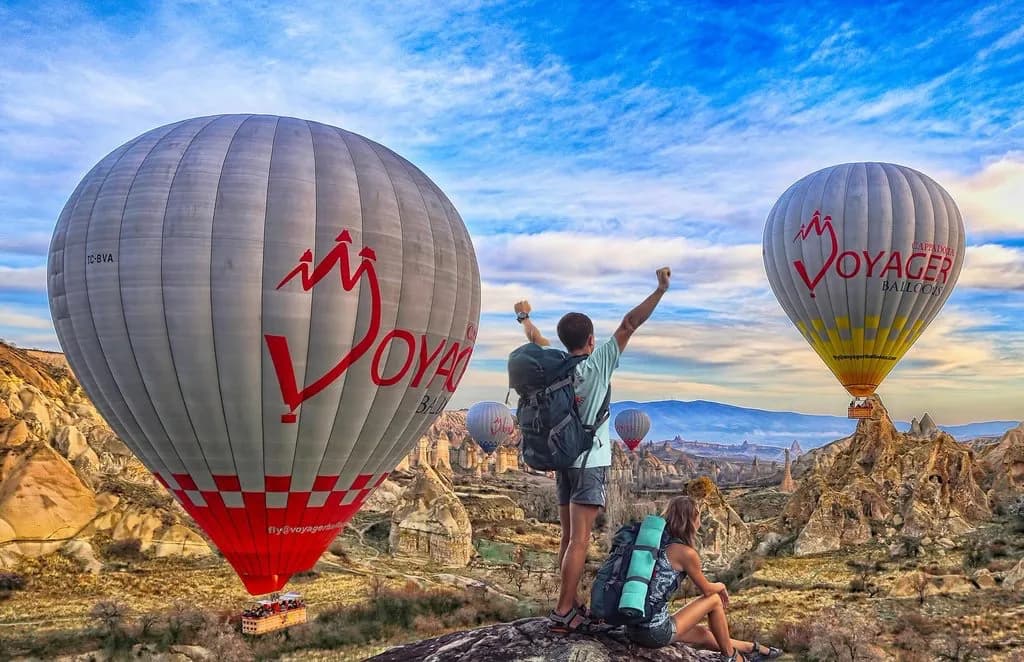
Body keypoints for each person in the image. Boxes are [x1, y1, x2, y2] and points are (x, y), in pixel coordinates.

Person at [514, 266, 671, 633]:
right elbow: (630, 323)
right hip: (589, 462)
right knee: (580, 540)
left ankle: (565, 605)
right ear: (591, 338)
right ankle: (565, 611)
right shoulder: (597, 363)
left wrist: (524, 318)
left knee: (569, 538)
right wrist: (660, 290)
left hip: (562, 460)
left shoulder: (555, 366)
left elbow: (537, 341)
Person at [624, 496, 782, 661]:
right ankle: (732, 657)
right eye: (698, 516)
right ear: (691, 520)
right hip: (653, 632)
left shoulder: (655, 545)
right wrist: (721, 585)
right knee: (714, 599)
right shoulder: (686, 553)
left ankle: (751, 648)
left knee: (704, 634)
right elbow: (706, 589)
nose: (700, 521)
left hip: (633, 627)